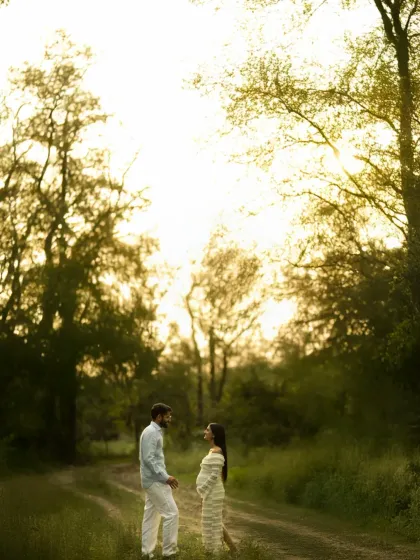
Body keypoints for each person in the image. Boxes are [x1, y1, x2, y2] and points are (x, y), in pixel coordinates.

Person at [140, 403, 179, 559]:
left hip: (152, 480)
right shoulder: (151, 433)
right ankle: (169, 553)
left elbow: (153, 459)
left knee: (151, 515)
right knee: (171, 513)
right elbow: (148, 459)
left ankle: (146, 553)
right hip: (155, 480)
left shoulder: (155, 432)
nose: (169, 419)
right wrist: (165, 477)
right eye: (167, 416)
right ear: (159, 417)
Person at [196, 423, 237, 554]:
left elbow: (214, 475)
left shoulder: (217, 451)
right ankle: (229, 550)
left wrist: (203, 490)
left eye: (207, 430)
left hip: (213, 492)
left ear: (213, 434)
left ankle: (217, 551)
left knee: (213, 521)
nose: (205, 431)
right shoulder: (212, 450)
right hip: (210, 492)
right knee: (213, 520)